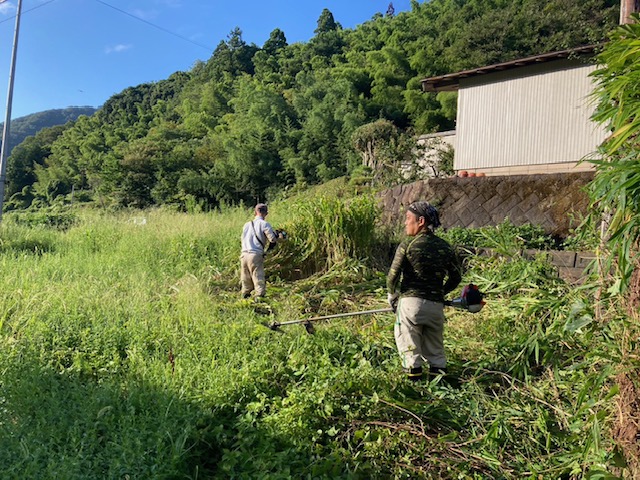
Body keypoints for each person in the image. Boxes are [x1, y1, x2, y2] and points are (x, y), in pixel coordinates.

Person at [387, 201, 462, 381]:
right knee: (436, 352)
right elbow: (456, 277)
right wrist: (440, 292)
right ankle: (440, 390)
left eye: (407, 219)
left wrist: (392, 296)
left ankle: (415, 392)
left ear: (420, 221)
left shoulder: (408, 245)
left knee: (410, 350)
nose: (405, 223)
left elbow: (392, 276)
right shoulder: (445, 247)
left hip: (410, 305)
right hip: (436, 307)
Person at [240, 203, 280, 299]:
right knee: (258, 277)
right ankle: (259, 299)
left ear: (255, 212)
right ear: (266, 213)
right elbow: (272, 239)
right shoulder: (264, 224)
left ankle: (245, 298)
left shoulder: (246, 225)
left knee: (245, 279)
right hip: (255, 255)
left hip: (244, 255)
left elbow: (242, 239)